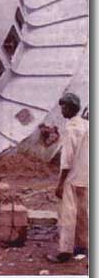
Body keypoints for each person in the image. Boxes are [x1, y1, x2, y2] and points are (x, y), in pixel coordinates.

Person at [47, 93, 89, 263]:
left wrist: (60, 184)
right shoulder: (86, 125)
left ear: (71, 108)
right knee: (83, 213)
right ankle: (82, 247)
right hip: (86, 176)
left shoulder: (71, 128)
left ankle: (65, 251)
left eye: (64, 107)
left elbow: (67, 160)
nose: (62, 110)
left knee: (67, 214)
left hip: (71, 178)